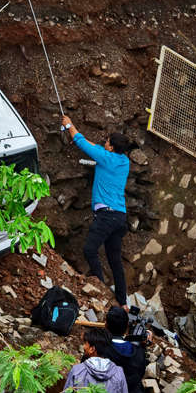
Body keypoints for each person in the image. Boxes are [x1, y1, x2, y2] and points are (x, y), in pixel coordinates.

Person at [61, 115, 131, 307]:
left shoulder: (106, 158)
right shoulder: (124, 161)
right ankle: (123, 301)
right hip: (120, 216)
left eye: (107, 141)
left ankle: (99, 284)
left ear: (111, 147)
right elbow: (96, 149)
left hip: (106, 215)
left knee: (90, 249)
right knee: (115, 260)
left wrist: (69, 124)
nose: (104, 142)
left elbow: (83, 143)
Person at [64, 329, 128, 393]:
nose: (83, 347)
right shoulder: (118, 372)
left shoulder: (77, 371)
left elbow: (66, 392)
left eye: (85, 344)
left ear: (92, 349)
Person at [103, 307, 148, 393]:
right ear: (127, 327)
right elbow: (140, 373)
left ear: (106, 325)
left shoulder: (99, 350)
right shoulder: (138, 352)